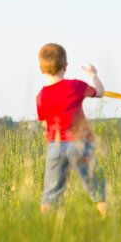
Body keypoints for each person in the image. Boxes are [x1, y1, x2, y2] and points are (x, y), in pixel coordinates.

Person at [36, 43, 106, 216]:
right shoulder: (75, 86)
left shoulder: (41, 96)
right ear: (65, 66)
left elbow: (45, 124)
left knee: (50, 193)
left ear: (41, 69)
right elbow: (100, 92)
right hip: (81, 143)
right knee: (98, 189)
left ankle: (45, 230)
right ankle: (107, 222)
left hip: (56, 145)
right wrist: (93, 75)